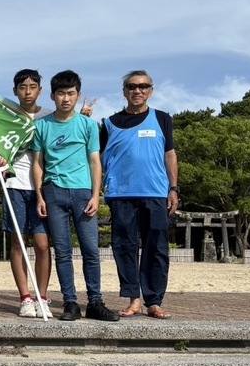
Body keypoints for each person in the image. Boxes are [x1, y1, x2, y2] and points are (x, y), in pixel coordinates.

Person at [31, 70, 119, 322]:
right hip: (53, 192)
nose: (66, 99)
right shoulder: (42, 126)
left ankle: (95, 301)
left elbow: (95, 161)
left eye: (71, 94)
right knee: (62, 250)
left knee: (91, 250)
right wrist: (39, 195)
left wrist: (95, 195)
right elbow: (38, 163)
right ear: (53, 96)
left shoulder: (89, 125)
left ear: (77, 95)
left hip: (83, 193)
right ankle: (70, 302)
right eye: (61, 93)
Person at [100, 70, 179, 319]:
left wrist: (174, 188)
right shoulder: (109, 123)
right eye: (132, 86)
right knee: (125, 246)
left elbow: (170, 155)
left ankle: (154, 301)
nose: (137, 90)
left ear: (151, 91)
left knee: (157, 247)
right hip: (121, 194)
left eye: (143, 86)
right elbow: (96, 159)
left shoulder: (162, 119)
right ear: (124, 91)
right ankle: (133, 298)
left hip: (156, 192)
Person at [1, 69, 55, 319]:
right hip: (14, 185)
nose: (28, 91)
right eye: (23, 87)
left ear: (40, 91)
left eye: (33, 87)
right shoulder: (5, 116)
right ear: (15, 91)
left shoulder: (49, 116)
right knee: (18, 243)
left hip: (44, 188)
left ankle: (42, 297)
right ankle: (25, 297)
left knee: (43, 244)